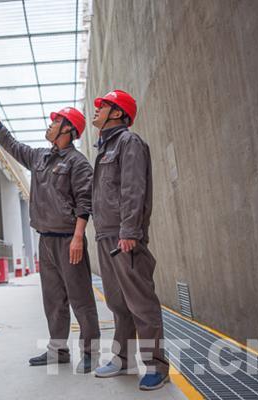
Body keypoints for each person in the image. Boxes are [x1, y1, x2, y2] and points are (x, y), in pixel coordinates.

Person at [0, 93, 100, 373]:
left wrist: (78, 238)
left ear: (68, 129)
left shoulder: (78, 163)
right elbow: (13, 145)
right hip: (45, 241)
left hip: (69, 240)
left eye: (56, 121)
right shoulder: (39, 157)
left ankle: (90, 353)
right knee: (53, 300)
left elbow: (85, 202)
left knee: (81, 299)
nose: (50, 125)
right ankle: (58, 352)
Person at [90, 90, 170, 390]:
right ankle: (123, 359)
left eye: (103, 105)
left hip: (123, 236)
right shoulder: (105, 148)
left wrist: (129, 231)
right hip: (105, 234)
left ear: (118, 113)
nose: (97, 109)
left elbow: (134, 189)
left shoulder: (129, 142)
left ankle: (156, 366)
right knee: (117, 303)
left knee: (141, 304)